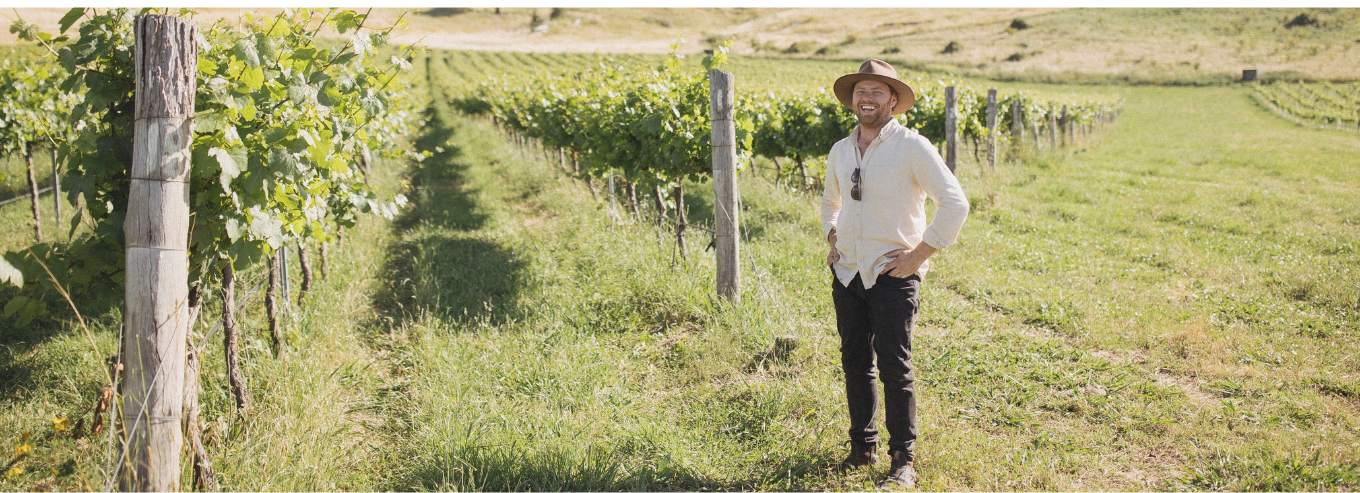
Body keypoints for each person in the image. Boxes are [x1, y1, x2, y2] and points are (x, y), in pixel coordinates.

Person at [821, 59, 969, 488]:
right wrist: (833, 237)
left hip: (892, 275)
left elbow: (955, 203)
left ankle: (903, 459)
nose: (866, 98)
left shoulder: (912, 147)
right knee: (854, 363)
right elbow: (830, 202)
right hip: (848, 273)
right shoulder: (840, 149)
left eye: (876, 91)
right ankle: (860, 449)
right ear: (852, 99)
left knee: (894, 367)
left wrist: (919, 255)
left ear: (893, 100)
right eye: (860, 91)